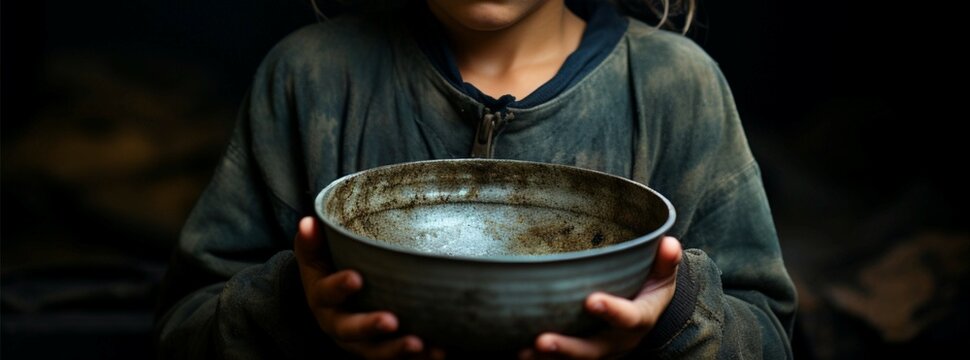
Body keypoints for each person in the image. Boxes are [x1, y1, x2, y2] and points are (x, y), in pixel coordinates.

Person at [155, 0, 797, 358]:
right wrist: (298, 304)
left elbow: (769, 336)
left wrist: (671, 311)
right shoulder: (310, 77)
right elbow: (183, 330)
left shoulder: (675, 85)